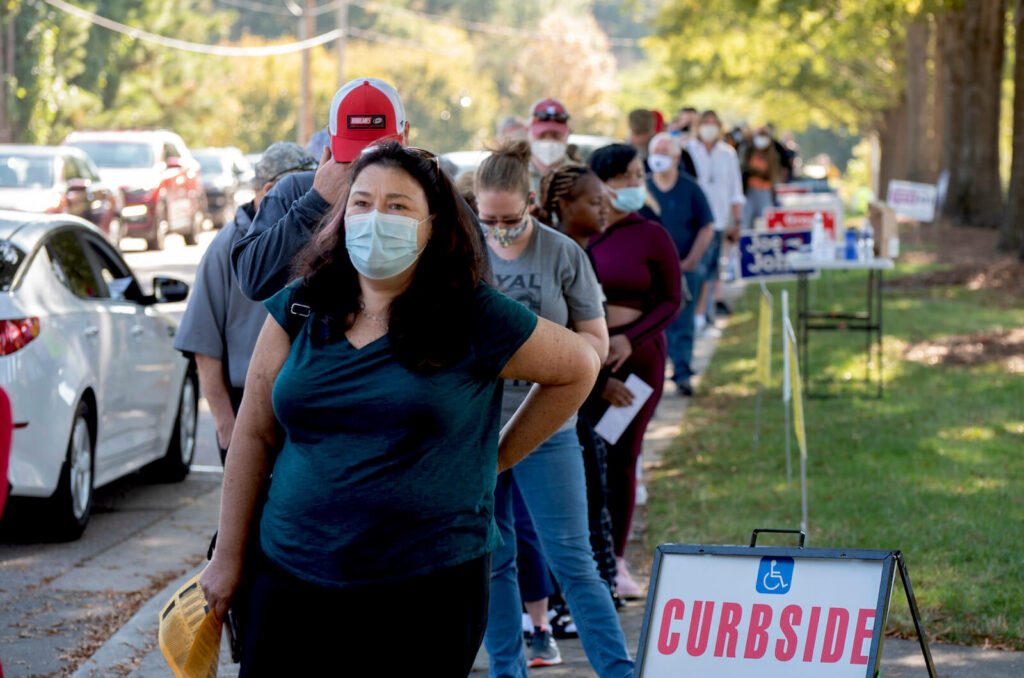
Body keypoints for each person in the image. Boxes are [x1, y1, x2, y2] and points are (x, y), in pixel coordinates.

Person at [200, 142, 601, 676]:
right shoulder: (301, 303)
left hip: (427, 587)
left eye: (397, 206)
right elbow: (252, 432)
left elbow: (578, 367)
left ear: (431, 224)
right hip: (291, 576)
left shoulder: (472, 314)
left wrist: (496, 458)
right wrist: (227, 558)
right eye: (361, 203)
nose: (374, 218)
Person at [475, 143, 633, 678]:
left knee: (573, 558)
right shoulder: (464, 251)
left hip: (548, 422)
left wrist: (554, 362)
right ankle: (506, 671)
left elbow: (594, 339)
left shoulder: (563, 253)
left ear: (530, 206)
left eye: (509, 219)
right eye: (487, 218)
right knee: (494, 560)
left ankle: (617, 670)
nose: (497, 229)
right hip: (477, 428)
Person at [175, 142, 317, 464]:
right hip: (248, 404)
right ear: (268, 191)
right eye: (300, 187)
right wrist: (227, 428)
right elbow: (203, 346)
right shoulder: (228, 247)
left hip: (302, 400)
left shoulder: (312, 236)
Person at [586, 144, 682, 598]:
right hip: (587, 366)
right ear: (599, 183)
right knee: (586, 458)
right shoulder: (581, 234)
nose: (635, 184)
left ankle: (617, 562)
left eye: (638, 174)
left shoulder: (652, 235)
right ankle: (585, 557)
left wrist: (629, 338)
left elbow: (671, 301)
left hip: (640, 363)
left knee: (622, 457)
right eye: (625, 176)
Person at [232, 77, 410, 301]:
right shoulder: (296, 191)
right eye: (352, 156)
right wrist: (316, 201)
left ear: (405, 137)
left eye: (378, 155)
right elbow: (253, 281)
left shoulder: (428, 192)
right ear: (330, 138)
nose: (366, 168)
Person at [535, 163, 620, 598]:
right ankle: (564, 601)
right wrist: (598, 381)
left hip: (587, 395)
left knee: (595, 497)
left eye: (605, 199)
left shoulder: (581, 251)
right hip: (567, 403)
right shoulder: (562, 253)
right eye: (593, 201)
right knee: (574, 509)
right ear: (564, 206)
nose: (604, 209)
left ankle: (599, 586)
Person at [643, 132, 715, 397]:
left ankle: (682, 373)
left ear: (676, 157)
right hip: (649, 272)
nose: (659, 157)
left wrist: (692, 259)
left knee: (682, 323)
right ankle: (651, 378)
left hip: (684, 268)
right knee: (651, 326)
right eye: (656, 151)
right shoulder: (643, 189)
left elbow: (707, 226)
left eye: (665, 152)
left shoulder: (690, 188)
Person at [687, 110, 744, 327]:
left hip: (718, 219)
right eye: (705, 123)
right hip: (693, 220)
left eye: (713, 123)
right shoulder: (689, 149)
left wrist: (738, 223)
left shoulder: (727, 153)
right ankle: (692, 315)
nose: (709, 127)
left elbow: (735, 191)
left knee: (710, 271)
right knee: (694, 267)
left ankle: (703, 314)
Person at [527, 98, 573, 192]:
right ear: (528, 131)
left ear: (568, 133)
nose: (548, 140)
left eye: (555, 135)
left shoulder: (580, 177)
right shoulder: (512, 175)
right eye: (542, 135)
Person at [740, 126, 781, 230]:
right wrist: (758, 173)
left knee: (764, 222)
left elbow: (773, 174)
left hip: (765, 191)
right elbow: (743, 166)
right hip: (749, 191)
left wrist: (760, 174)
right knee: (746, 222)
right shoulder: (748, 151)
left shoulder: (772, 155)